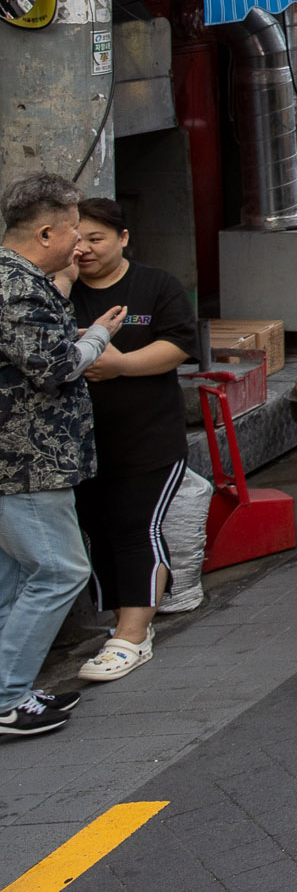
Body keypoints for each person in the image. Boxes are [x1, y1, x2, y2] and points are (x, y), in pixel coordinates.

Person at [0, 175, 118, 736]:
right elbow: (52, 367)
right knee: (60, 571)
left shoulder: (21, 278)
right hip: (26, 460)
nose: (78, 242)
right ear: (46, 230)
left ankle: (11, 688)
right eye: (72, 228)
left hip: (24, 458)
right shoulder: (14, 285)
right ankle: (6, 698)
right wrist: (95, 336)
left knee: (15, 578)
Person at [62, 200, 193, 685]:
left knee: (138, 527)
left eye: (96, 238)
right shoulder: (59, 289)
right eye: (77, 238)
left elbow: (179, 344)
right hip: (79, 447)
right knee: (98, 529)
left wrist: (119, 365)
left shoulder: (156, 285)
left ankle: (133, 636)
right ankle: (123, 620)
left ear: (123, 237)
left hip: (148, 439)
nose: (85, 248)